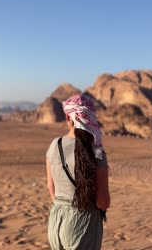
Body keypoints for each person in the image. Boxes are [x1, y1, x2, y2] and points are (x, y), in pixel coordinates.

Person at [46, 94, 110, 250]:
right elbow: (103, 201)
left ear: (68, 117)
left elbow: (51, 188)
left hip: (56, 221)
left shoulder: (55, 145)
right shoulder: (96, 152)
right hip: (83, 223)